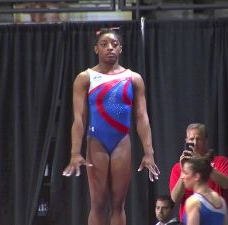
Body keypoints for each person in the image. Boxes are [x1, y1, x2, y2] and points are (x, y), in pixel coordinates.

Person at [62, 28, 160, 225]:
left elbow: (142, 117)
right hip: (96, 140)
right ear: (96, 49)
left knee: (118, 204)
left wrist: (148, 152)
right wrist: (75, 152)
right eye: (104, 44)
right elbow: (79, 118)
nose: (110, 48)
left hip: (121, 141)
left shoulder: (133, 78)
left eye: (114, 45)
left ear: (121, 49)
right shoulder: (85, 77)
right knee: (98, 203)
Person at [169, 123, 228, 222]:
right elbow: (175, 198)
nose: (195, 142)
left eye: (199, 139)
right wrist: (184, 170)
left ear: (206, 141)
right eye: (191, 139)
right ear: (186, 141)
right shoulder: (178, 167)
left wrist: (202, 163)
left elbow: (226, 184)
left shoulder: (220, 161)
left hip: (215, 208)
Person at [180, 151, 228, 225]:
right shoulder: (222, 201)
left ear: (196, 176)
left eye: (186, 173)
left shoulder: (193, 202)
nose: (182, 177)